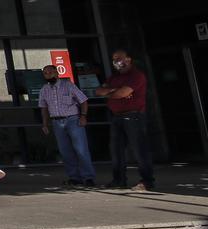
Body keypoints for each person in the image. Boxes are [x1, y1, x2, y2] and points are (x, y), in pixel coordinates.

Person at [95, 50, 154, 191]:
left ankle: (147, 181)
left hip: (134, 116)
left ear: (128, 59)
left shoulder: (136, 75)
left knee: (139, 149)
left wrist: (112, 92)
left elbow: (123, 93)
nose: (116, 61)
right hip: (116, 116)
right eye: (114, 59)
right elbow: (98, 91)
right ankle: (119, 180)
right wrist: (116, 90)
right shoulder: (113, 78)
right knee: (116, 150)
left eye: (119, 58)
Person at [38, 64, 95, 187]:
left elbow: (83, 100)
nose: (48, 75)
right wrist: (45, 124)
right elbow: (43, 108)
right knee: (65, 151)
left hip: (73, 119)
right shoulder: (44, 90)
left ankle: (88, 177)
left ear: (57, 73)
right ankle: (74, 177)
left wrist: (83, 116)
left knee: (81, 149)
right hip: (57, 121)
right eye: (45, 73)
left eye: (50, 72)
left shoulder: (68, 85)